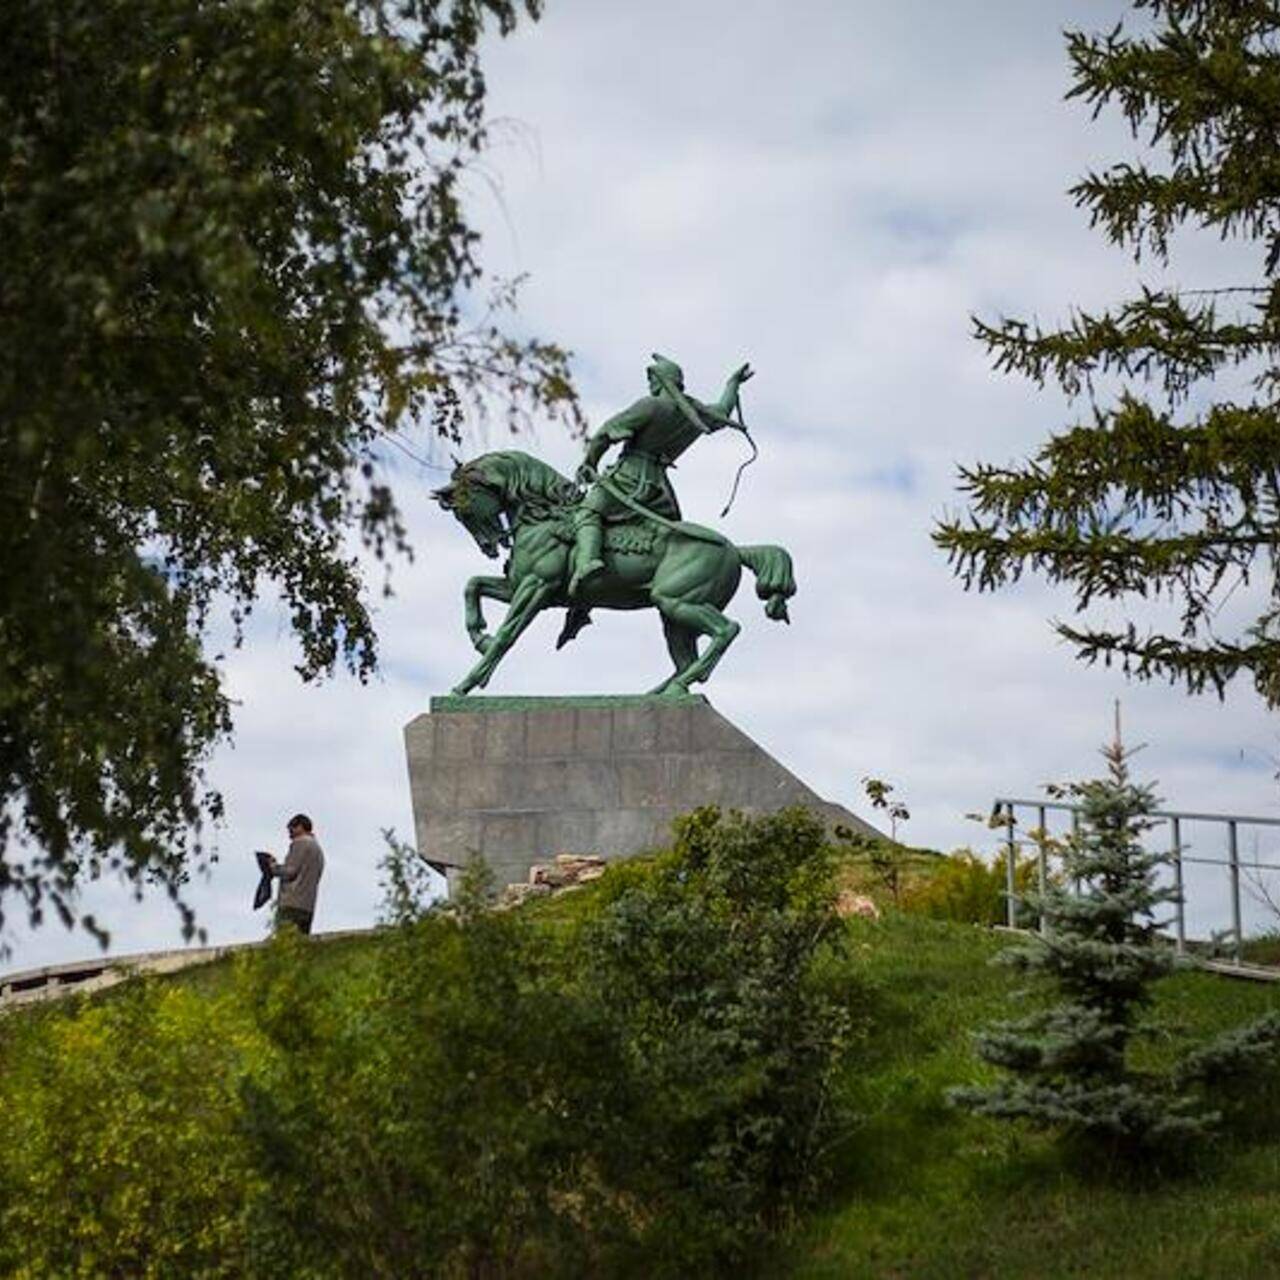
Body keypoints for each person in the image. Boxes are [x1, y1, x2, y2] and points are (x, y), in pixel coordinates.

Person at [567, 353, 754, 597]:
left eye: (651, 379)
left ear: (660, 380)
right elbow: (723, 410)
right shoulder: (691, 412)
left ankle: (587, 563)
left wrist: (589, 462)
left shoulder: (651, 405)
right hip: (661, 493)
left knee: (587, 512)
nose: (650, 385)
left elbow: (606, 433)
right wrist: (732, 384)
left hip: (629, 480)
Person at [269, 813, 325, 935]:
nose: (290, 835)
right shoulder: (319, 851)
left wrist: (273, 868)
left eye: (291, 830)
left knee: (285, 945)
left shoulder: (301, 843)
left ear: (300, 827)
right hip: (308, 905)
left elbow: (290, 871)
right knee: (300, 946)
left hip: (291, 903)